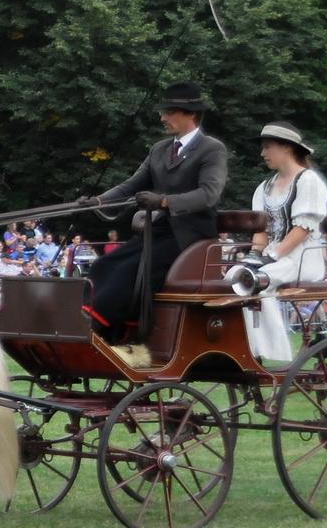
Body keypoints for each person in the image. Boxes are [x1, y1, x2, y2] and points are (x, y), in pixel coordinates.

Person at [75, 82, 228, 342]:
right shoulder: (160, 149)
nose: (162, 117)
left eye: (169, 112)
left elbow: (208, 194)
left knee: (127, 272)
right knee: (103, 264)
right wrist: (99, 201)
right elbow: (133, 185)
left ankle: (99, 327)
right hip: (160, 230)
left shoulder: (212, 148)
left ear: (191, 114)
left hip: (191, 236)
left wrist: (163, 202)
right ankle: (81, 319)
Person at [241, 123, 327, 361]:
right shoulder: (265, 187)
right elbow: (261, 230)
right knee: (236, 277)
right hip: (276, 257)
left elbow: (302, 228)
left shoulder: (308, 181)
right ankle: (247, 346)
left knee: (256, 282)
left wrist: (272, 256)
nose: (263, 154)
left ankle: (269, 351)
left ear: (286, 148)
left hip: (302, 257)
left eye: (267, 147)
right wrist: (253, 256)